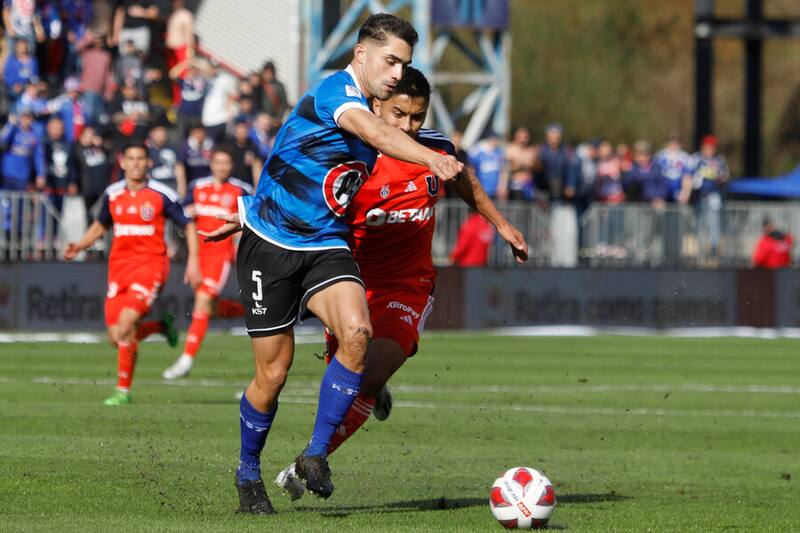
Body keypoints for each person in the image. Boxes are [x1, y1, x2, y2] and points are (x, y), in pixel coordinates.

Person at [201, 13, 462, 515]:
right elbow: (373, 133)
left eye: (404, 63)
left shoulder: (377, 108)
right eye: (390, 61)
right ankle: (247, 476)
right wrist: (430, 159)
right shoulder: (335, 95)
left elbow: (300, 168)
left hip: (325, 243)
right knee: (272, 376)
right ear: (361, 54)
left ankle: (316, 453)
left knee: (358, 334)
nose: (396, 73)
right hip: (271, 249)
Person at [273, 66, 527, 500]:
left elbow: (463, 180)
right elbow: (300, 197)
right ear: (375, 107)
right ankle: (363, 396)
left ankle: (309, 460)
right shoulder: (348, 156)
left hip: (407, 285)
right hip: (348, 282)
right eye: (398, 115)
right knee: (349, 371)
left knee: (368, 376)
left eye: (417, 117)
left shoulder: (436, 150)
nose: (409, 126)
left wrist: (501, 223)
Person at [63, 141, 201, 405]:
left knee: (126, 325)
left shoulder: (162, 194)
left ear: (148, 163)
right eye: (131, 158)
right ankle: (160, 326)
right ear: (122, 162)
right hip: (118, 269)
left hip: (150, 267)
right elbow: (100, 225)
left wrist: (194, 260)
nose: (136, 163)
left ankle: (123, 391)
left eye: (141, 158)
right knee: (117, 338)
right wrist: (79, 245)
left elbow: (188, 223)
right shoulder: (113, 194)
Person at [161, 147, 252, 379]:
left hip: (220, 256)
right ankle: (250, 311)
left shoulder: (240, 190)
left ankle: (186, 359)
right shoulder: (197, 187)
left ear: (231, 166)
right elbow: (181, 215)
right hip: (198, 255)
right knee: (209, 307)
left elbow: (249, 223)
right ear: (211, 164)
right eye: (218, 162)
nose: (221, 167)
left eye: (226, 163)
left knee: (202, 302)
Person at [73, 126, 111, 225]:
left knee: (101, 214)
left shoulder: (99, 149)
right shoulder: (77, 149)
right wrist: (73, 183)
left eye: (91, 135)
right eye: (87, 135)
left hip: (101, 187)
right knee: (88, 214)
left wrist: (101, 146)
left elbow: (110, 161)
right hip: (87, 188)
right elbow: (74, 168)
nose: (89, 138)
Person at [147, 124, 185, 196]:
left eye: (163, 135)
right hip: (154, 186)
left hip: (171, 185)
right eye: (158, 136)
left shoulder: (173, 150)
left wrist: (182, 190)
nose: (161, 138)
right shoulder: (147, 151)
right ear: (151, 134)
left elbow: (180, 171)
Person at [467, 130, 505, 199]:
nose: (495, 142)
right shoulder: (478, 153)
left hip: (494, 191)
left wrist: (501, 186)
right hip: (481, 189)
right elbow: (472, 168)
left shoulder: (499, 153)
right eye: (493, 139)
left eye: (496, 140)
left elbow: (501, 171)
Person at [504, 126, 537, 201]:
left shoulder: (531, 151)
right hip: (516, 185)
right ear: (516, 137)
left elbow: (535, 167)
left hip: (529, 185)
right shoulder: (511, 149)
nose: (523, 139)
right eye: (520, 137)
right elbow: (505, 170)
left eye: (525, 137)